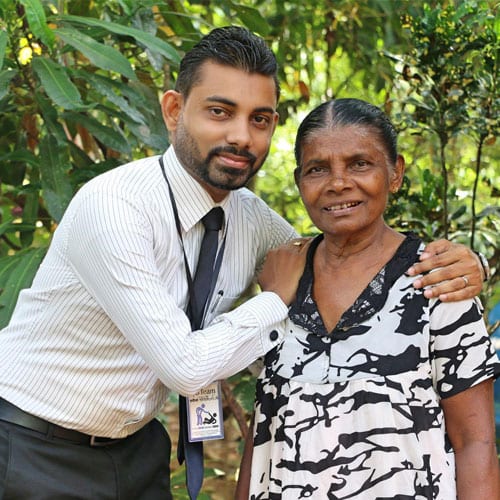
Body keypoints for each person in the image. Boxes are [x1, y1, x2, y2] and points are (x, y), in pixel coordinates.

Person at [0, 27, 487, 500]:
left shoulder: (250, 218)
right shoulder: (116, 206)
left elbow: (336, 254)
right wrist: (273, 300)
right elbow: (186, 368)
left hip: (135, 451)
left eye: (260, 119)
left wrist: (466, 264)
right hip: (33, 445)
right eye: (220, 111)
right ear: (174, 110)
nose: (241, 137)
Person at [236, 98, 500, 499]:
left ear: (395, 173)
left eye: (360, 164)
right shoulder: (282, 281)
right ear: (299, 181)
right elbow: (263, 432)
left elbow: (474, 443)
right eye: (317, 169)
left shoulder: (437, 283)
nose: (338, 183)